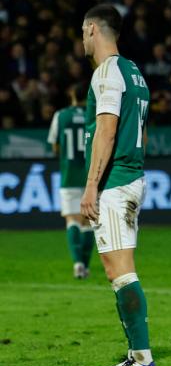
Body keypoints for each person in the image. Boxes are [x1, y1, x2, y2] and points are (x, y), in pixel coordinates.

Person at [79, 4, 156, 366]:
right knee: (119, 270)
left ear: (92, 29)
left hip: (115, 181)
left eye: (82, 31)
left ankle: (142, 360)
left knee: (120, 271)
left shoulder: (106, 72)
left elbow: (107, 130)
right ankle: (136, 356)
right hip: (132, 175)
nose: (82, 39)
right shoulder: (135, 72)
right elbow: (135, 130)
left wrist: (91, 184)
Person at [47, 83, 95, 279]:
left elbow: (55, 146)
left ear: (71, 94)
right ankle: (86, 265)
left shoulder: (61, 115)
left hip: (69, 176)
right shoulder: (96, 114)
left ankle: (77, 264)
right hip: (92, 176)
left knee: (72, 219)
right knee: (89, 222)